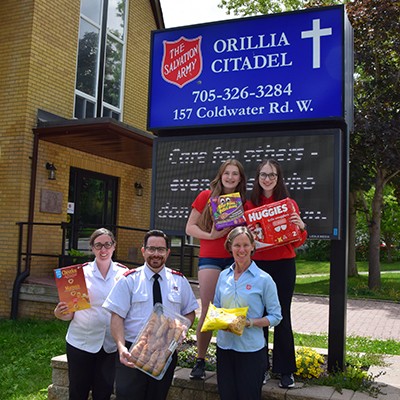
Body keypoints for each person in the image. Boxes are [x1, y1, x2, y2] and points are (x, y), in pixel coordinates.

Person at [103, 229, 198, 400]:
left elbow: (190, 313)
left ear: (168, 252)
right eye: (151, 249)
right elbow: (116, 317)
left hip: (165, 351)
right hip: (133, 352)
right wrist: (121, 346)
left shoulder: (179, 280)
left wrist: (183, 328)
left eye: (160, 249)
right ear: (143, 251)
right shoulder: (129, 280)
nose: (156, 254)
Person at [245, 159, 308, 389]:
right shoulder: (250, 204)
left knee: (282, 316)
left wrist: (301, 226)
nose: (267, 179)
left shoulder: (288, 203)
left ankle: (285, 371)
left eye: (272, 175)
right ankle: (259, 367)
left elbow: (298, 240)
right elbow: (243, 240)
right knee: (258, 316)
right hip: (258, 267)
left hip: (284, 265)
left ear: (278, 178)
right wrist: (249, 233)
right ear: (258, 177)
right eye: (263, 174)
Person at [185, 159, 247, 380]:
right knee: (209, 309)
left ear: (240, 178)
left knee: (232, 310)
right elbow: (189, 227)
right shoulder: (206, 196)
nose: (230, 177)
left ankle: (232, 360)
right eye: (226, 173)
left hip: (235, 260)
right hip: (210, 257)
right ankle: (200, 360)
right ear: (220, 176)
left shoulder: (244, 202)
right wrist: (211, 236)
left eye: (235, 174)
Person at [54, 228, 128, 400]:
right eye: (98, 245)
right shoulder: (79, 274)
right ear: (92, 248)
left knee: (103, 393)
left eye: (107, 244)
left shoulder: (124, 274)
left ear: (114, 246)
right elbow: (69, 313)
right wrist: (60, 313)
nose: (103, 250)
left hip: (109, 344)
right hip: (81, 343)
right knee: (78, 392)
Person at [214, 226, 282, 400]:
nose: (241, 250)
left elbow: (276, 316)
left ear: (253, 246)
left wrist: (251, 322)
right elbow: (216, 306)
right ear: (230, 247)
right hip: (225, 347)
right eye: (237, 245)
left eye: (246, 245)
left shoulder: (264, 279)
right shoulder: (223, 276)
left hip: (251, 350)